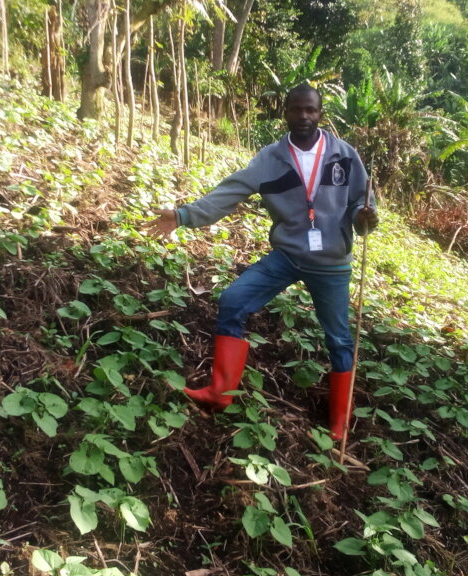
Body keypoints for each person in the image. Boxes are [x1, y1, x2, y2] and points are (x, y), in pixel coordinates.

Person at [144, 83, 378, 440]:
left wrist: (366, 219)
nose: (304, 116)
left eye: (310, 110)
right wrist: (182, 216)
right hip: (287, 256)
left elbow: (363, 203)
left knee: (340, 340)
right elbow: (230, 191)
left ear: (320, 113)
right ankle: (219, 394)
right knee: (233, 300)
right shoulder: (270, 158)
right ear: (285, 112)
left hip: (331, 263)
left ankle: (338, 425)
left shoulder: (345, 155)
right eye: (296, 109)